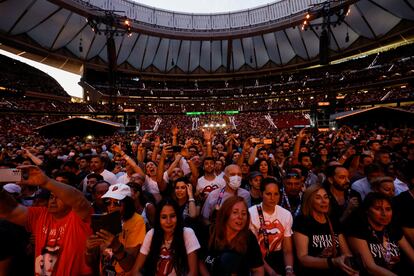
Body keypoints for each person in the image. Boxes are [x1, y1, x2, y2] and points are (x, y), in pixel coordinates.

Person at [0, 165, 92, 275]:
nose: (53, 201)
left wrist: (46, 182)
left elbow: (79, 201)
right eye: (51, 197)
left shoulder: (80, 217)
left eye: (59, 197)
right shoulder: (41, 215)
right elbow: (9, 211)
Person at [293, 184, 358, 276]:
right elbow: (302, 258)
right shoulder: (302, 221)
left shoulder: (333, 221)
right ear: (310, 201)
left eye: (326, 197)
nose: (324, 201)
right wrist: (330, 260)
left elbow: (346, 253)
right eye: (318, 198)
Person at [345, 192, 414, 275]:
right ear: (367, 210)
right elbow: (370, 267)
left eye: (388, 209)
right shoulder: (358, 228)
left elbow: (411, 255)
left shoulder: (392, 227)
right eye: (378, 209)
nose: (384, 214)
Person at [86, 183, 146, 275]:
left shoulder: (137, 221)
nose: (112, 206)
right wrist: (89, 250)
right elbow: (90, 262)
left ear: (128, 203)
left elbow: (128, 265)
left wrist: (116, 246)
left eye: (117, 202)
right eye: (108, 201)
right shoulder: (103, 218)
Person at [131, 199, 200, 275]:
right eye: (164, 217)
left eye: (172, 216)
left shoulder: (187, 233)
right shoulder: (151, 234)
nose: (168, 221)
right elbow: (135, 270)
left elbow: (193, 273)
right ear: (158, 219)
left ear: (178, 217)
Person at [203, 196, 264, 275]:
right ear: (225, 214)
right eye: (235, 212)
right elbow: (200, 261)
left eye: (244, 213)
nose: (240, 217)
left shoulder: (249, 237)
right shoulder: (210, 232)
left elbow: (258, 270)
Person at [249, 177, 295, 275]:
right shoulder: (251, 213)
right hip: (256, 259)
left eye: (276, 194)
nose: (272, 198)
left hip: (278, 257)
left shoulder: (286, 214)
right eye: (268, 194)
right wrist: (271, 272)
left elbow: (287, 249)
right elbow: (253, 251)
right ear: (261, 194)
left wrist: (289, 269)